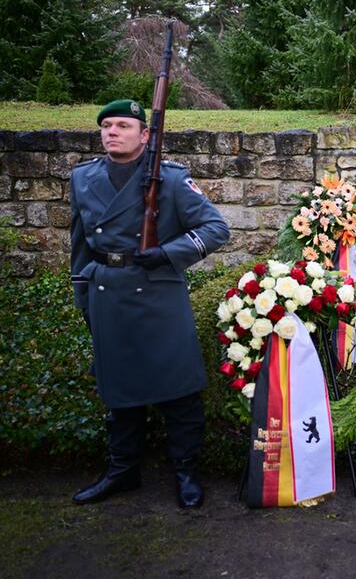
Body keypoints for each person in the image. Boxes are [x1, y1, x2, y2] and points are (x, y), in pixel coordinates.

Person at [69, 99, 230, 508]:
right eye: (106, 125)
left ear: (145, 135)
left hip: (159, 292)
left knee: (178, 393)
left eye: (123, 125)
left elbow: (215, 228)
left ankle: (186, 472)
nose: (112, 132)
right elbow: (79, 247)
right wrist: (84, 296)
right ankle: (123, 471)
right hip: (109, 293)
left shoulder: (172, 180)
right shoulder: (83, 178)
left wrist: (168, 252)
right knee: (120, 393)